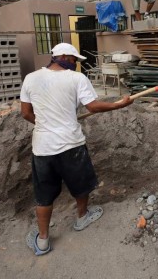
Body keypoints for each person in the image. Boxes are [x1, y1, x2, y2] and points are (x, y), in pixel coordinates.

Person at [20, 42, 133, 256]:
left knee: (44, 195)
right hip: (71, 145)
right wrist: (119, 104)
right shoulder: (77, 79)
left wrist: (46, 124)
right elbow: (93, 106)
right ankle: (82, 218)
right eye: (73, 60)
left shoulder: (31, 78)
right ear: (62, 56)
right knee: (80, 184)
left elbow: (25, 113)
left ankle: (43, 240)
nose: (74, 64)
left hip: (43, 148)